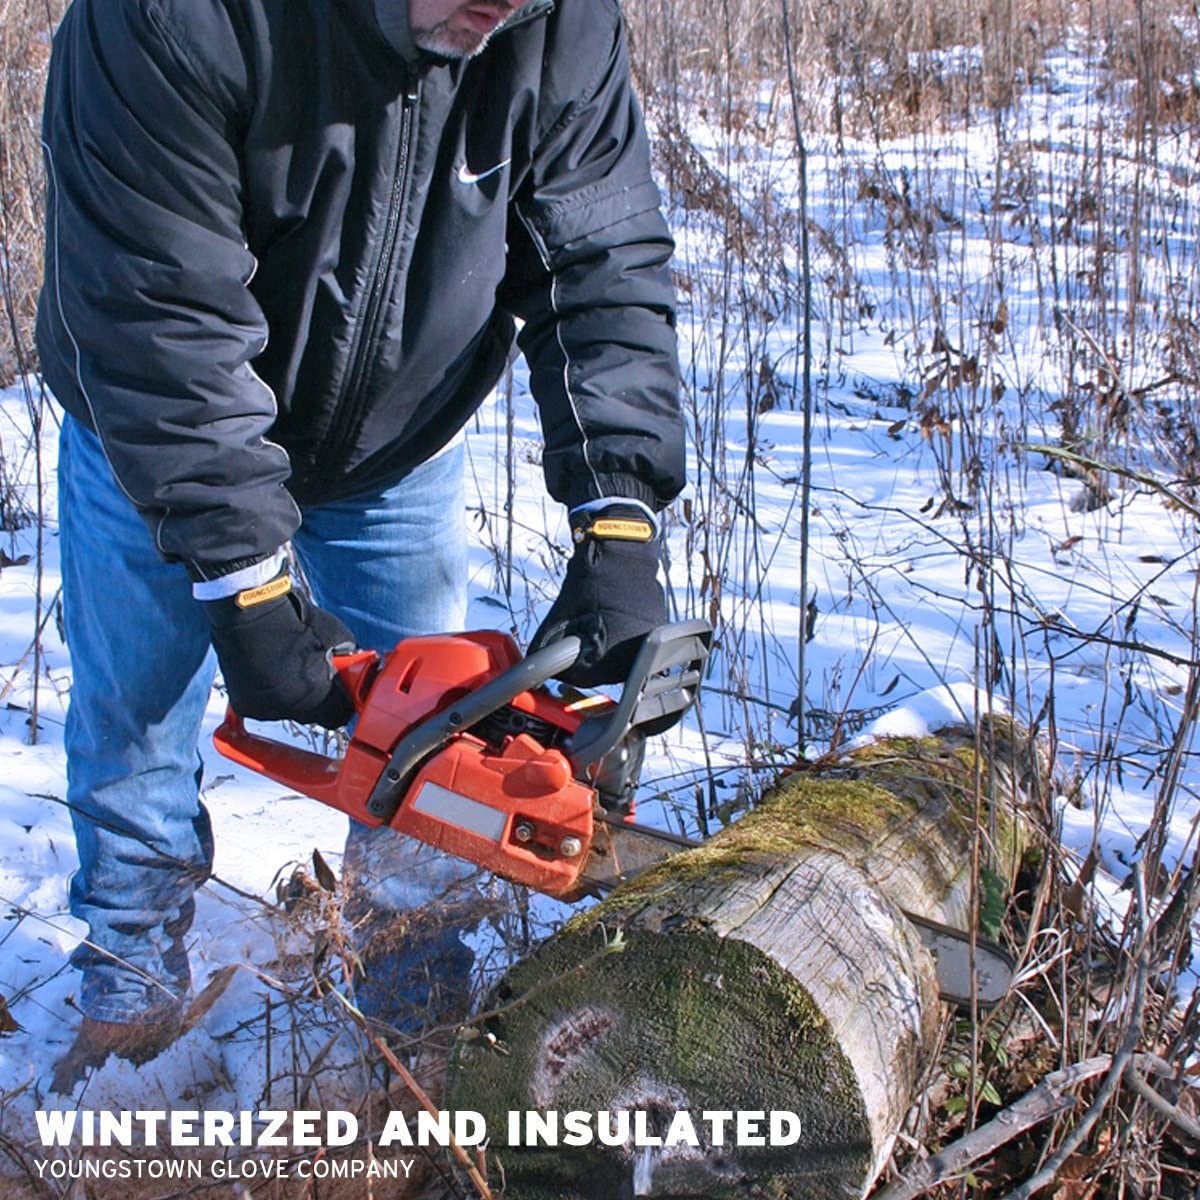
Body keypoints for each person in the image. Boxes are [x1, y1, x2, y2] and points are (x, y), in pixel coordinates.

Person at [36, 0, 686, 1081]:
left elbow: (602, 260)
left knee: (430, 746)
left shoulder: (560, 25)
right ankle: (128, 995)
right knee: (137, 724)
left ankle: (413, 1024)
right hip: (148, 432)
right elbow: (165, 319)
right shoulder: (170, 17)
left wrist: (617, 519)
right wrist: (245, 585)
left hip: (396, 443)